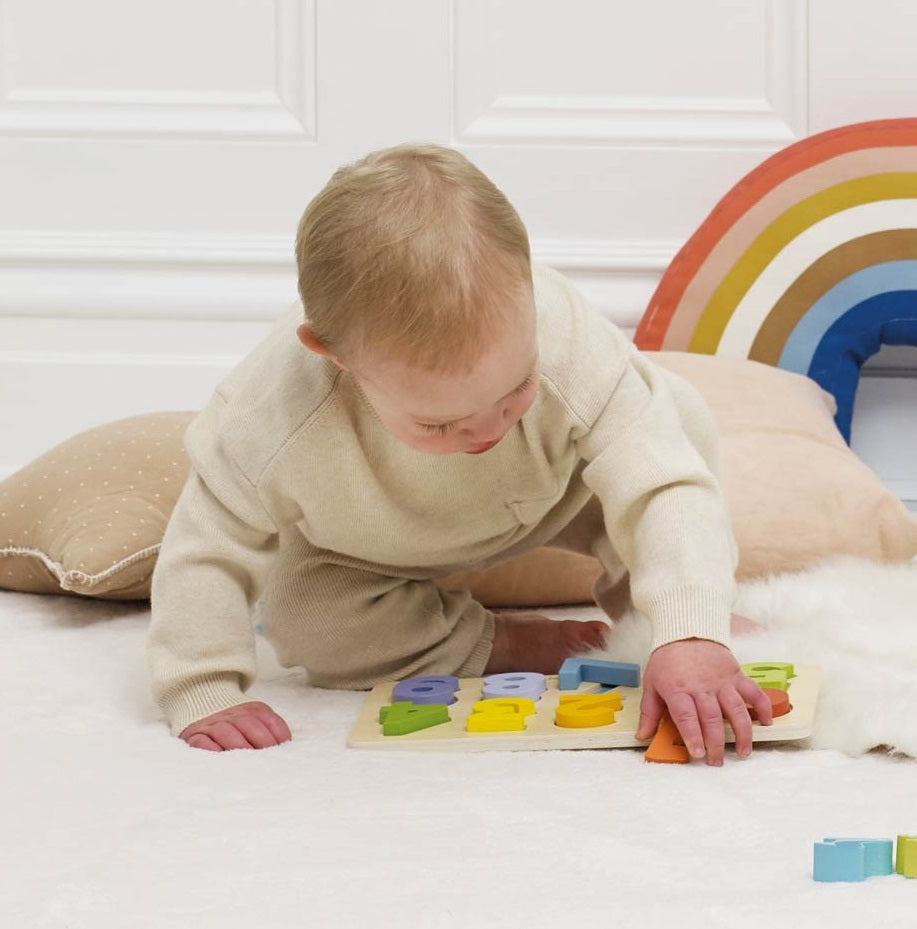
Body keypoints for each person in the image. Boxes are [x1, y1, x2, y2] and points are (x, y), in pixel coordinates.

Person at [148, 143, 772, 765]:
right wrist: (202, 686)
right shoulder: (271, 416)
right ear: (335, 357)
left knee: (672, 422)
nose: (486, 431)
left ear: (529, 290)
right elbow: (207, 546)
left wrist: (690, 629)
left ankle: (651, 614)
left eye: (516, 389)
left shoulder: (566, 338)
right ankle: (494, 642)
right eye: (439, 422)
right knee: (306, 620)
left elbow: (663, 485)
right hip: (369, 546)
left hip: (562, 495)